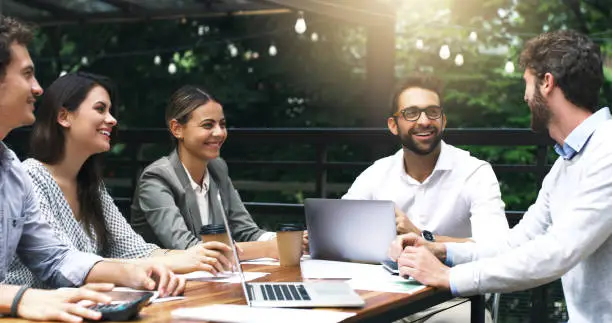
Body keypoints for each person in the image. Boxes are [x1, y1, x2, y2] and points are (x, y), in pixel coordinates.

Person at [390, 30, 612, 323]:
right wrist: (441, 250)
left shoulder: (607, 150)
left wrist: (450, 277)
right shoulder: (566, 164)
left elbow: (558, 251)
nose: (524, 96)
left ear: (546, 83)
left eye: (527, 84)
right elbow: (516, 243)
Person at [0, 16, 182, 322]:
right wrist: (22, 298)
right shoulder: (31, 174)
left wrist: (132, 272)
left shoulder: (12, 173)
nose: (38, 88)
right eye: (28, 74)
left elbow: (55, 257)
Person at [5, 72, 235, 289]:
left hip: (84, 308)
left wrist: (191, 256)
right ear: (64, 116)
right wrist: (175, 261)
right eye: (100, 109)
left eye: (111, 110)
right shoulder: (31, 177)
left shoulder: (91, 185)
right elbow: (66, 262)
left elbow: (134, 250)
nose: (112, 120)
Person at [343, 74, 508, 322]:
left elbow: (498, 248)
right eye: (411, 113)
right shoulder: (377, 173)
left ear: (443, 121)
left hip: (453, 298)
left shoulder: (475, 172)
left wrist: (423, 237)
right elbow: (340, 228)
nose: (424, 121)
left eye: (432, 112)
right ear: (393, 124)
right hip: (385, 296)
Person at [131, 85, 279, 259]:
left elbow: (245, 230)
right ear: (177, 129)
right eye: (208, 125)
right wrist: (269, 249)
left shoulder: (218, 168)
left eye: (222, 125)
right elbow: (188, 248)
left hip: (212, 277)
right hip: (163, 281)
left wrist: (282, 240)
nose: (219, 133)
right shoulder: (156, 178)